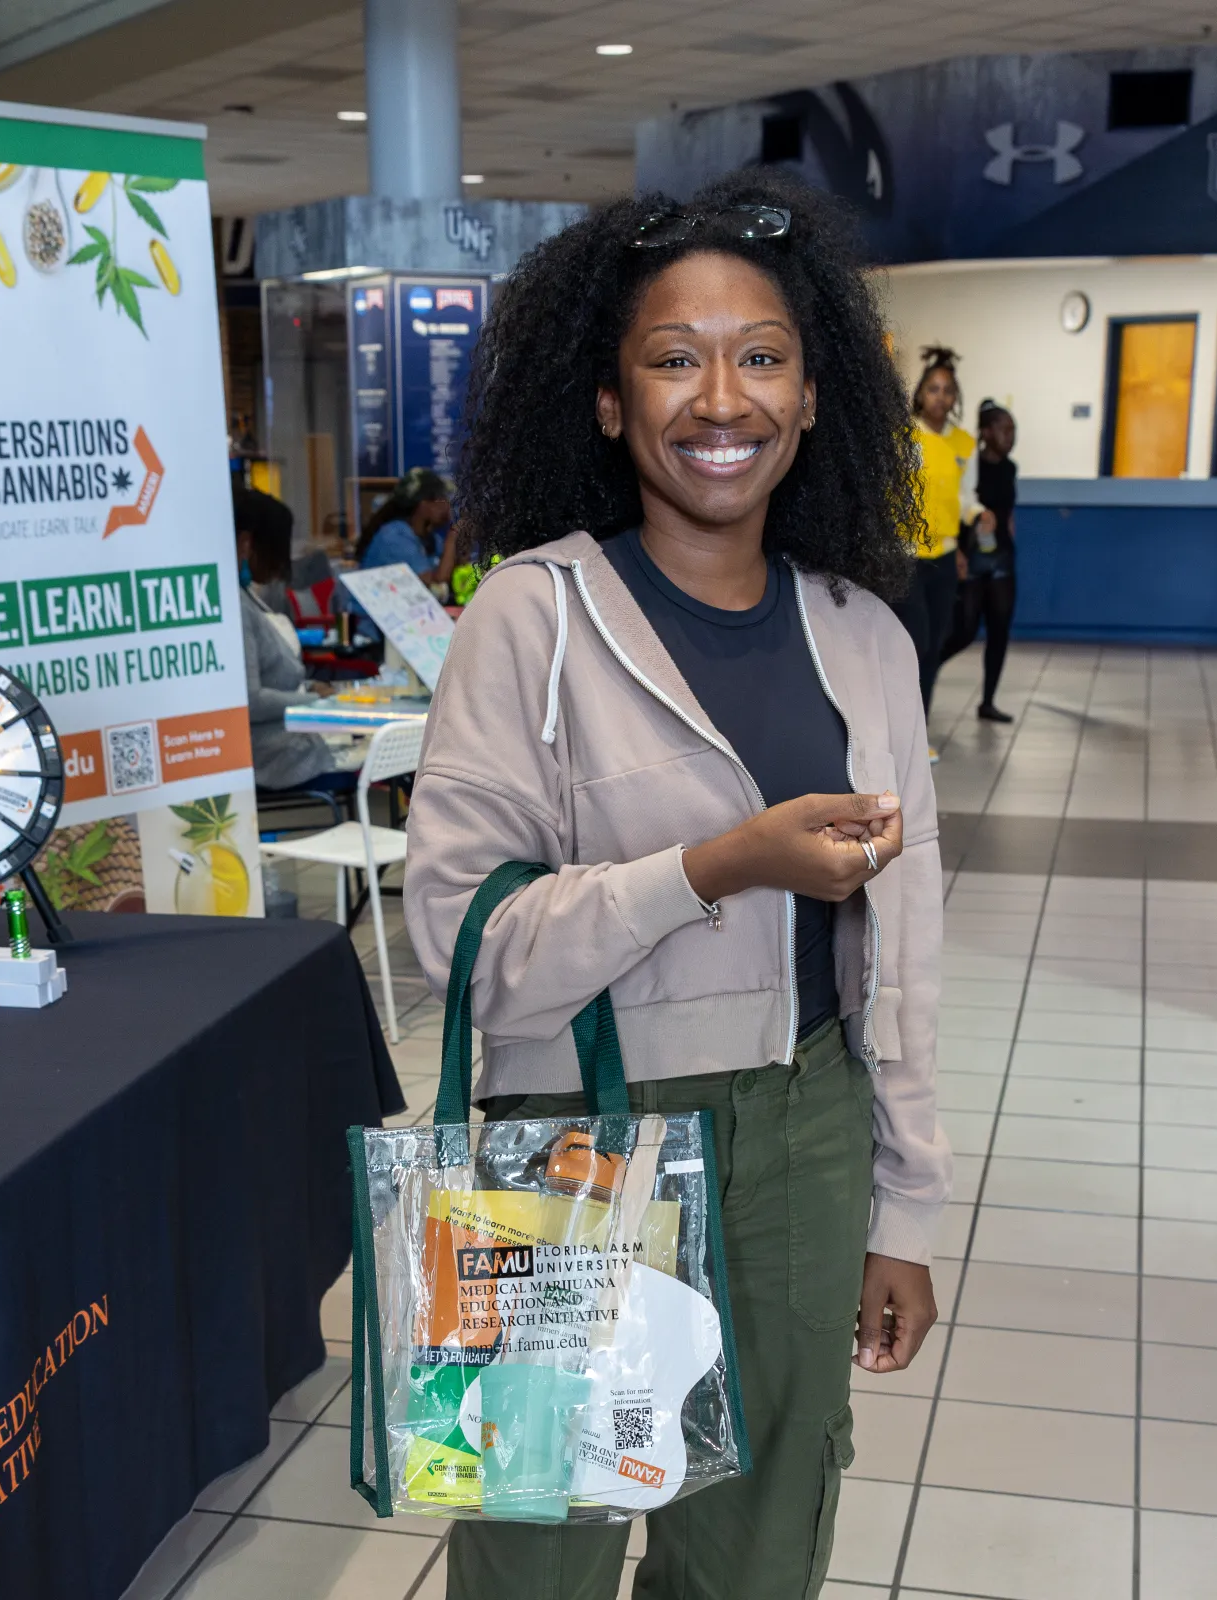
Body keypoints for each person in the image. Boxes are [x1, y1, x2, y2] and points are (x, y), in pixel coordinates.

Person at [404, 172, 949, 1600]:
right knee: (542, 1545)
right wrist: (714, 868)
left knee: (762, 1537)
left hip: (804, 1134)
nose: (723, 397)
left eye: (762, 355)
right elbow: (463, 942)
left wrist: (906, 1211)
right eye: (674, 357)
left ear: (816, 398)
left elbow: (908, 954)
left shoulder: (867, 642)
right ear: (606, 402)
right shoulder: (533, 615)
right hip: (573, 1132)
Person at [894, 346, 988, 753]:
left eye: (947, 391)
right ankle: (900, 734)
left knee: (934, 645)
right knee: (913, 644)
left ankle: (919, 735)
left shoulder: (965, 444)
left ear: (956, 397)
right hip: (905, 555)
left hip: (945, 556)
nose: (940, 397)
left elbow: (967, 497)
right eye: (932, 389)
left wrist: (980, 513)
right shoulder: (905, 437)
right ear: (920, 394)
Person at [232, 485, 337, 790]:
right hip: (270, 754)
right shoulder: (237, 607)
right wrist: (314, 701)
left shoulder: (245, 599)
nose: (281, 564)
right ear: (247, 543)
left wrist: (306, 690)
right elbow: (250, 700)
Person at [944, 399, 1018, 722]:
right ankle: (922, 676)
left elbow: (1008, 510)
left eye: (1013, 430)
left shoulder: (1010, 467)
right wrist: (959, 551)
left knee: (1000, 630)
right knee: (964, 630)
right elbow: (961, 507)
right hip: (972, 556)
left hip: (1001, 557)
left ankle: (988, 702)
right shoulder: (970, 464)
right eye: (1003, 429)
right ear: (986, 433)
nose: (1010, 436)